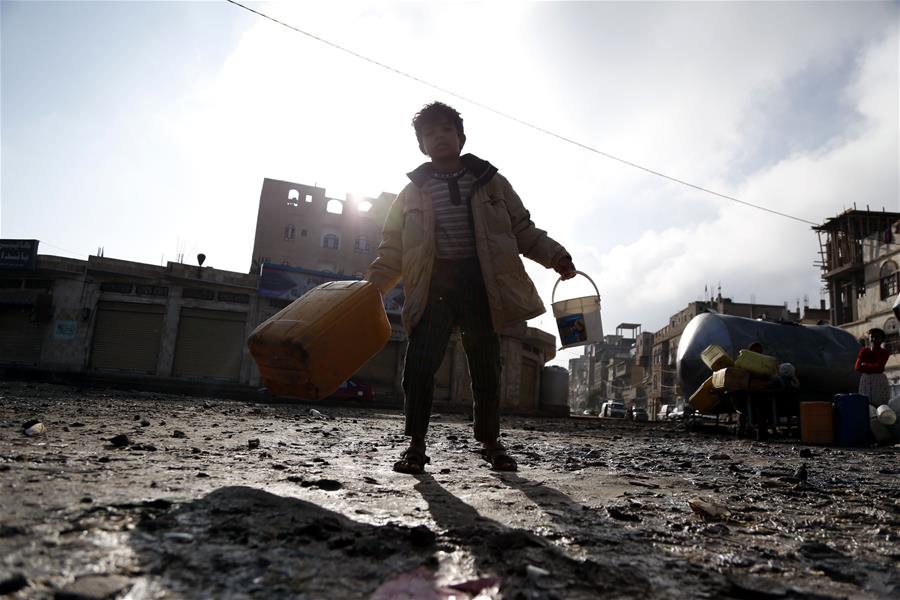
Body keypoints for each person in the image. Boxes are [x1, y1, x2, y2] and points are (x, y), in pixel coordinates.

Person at [366, 101, 576, 474]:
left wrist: (556, 257)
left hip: (480, 283)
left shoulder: (491, 181)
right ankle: (415, 444)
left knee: (486, 365)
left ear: (461, 137)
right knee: (420, 364)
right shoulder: (410, 192)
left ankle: (491, 442)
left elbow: (522, 230)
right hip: (433, 285)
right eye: (430, 134)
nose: (439, 138)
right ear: (421, 146)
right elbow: (393, 248)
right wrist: (374, 287)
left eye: (447, 130)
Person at [855, 328, 891, 406]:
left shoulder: (884, 353)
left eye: (877, 337)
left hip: (879, 380)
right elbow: (857, 367)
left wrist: (865, 365)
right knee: (865, 404)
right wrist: (873, 366)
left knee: (880, 404)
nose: (874, 339)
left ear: (882, 339)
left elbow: (880, 367)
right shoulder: (863, 351)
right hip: (865, 380)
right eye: (872, 336)